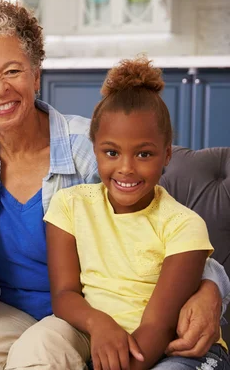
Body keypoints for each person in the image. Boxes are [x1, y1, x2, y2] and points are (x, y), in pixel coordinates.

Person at [0, 0, 230, 369]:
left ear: (36, 74)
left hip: (82, 312)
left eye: (12, 71)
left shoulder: (91, 149)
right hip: (3, 308)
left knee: (40, 353)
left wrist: (211, 289)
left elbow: (157, 224)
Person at [44, 57, 229, 370]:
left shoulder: (184, 225)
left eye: (144, 154)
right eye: (112, 152)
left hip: (176, 351)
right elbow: (64, 295)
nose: (126, 168)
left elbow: (157, 328)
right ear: (95, 149)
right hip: (103, 342)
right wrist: (99, 323)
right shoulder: (69, 205)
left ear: (167, 153)